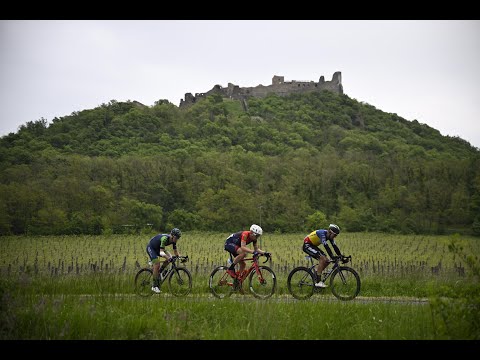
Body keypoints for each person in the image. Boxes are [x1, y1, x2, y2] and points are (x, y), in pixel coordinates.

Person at [303, 223, 343, 288]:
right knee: (322, 259)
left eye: (336, 236)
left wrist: (340, 256)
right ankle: (318, 282)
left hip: (313, 245)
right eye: (334, 235)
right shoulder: (322, 234)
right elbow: (326, 247)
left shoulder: (330, 236)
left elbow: (335, 247)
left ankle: (316, 273)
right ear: (330, 232)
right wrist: (332, 256)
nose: (334, 237)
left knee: (327, 261)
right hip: (307, 245)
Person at [146, 227, 182, 293]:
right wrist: (168, 258)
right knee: (157, 264)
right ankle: (154, 286)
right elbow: (161, 252)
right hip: (151, 248)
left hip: (158, 248)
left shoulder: (173, 241)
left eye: (178, 238)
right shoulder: (164, 239)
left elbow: (176, 252)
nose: (177, 240)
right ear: (173, 236)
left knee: (170, 256)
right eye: (176, 238)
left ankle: (160, 273)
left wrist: (181, 257)